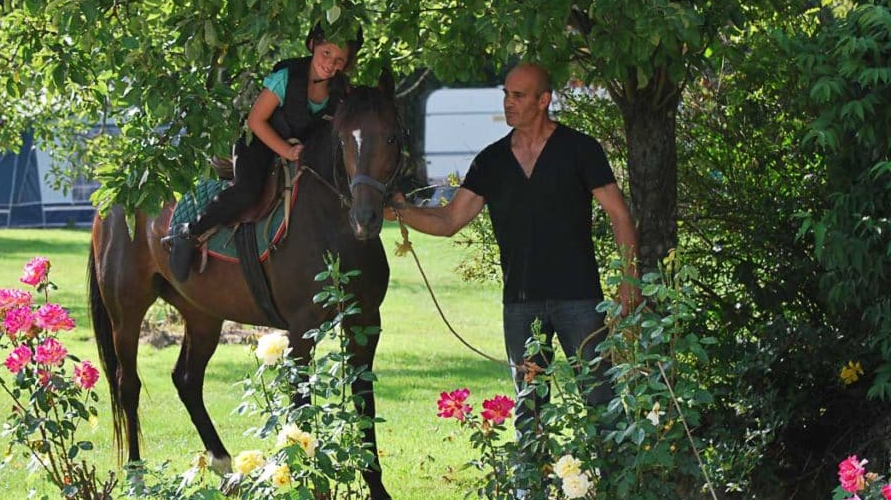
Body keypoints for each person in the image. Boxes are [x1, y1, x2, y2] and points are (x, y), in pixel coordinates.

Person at [385, 62, 640, 430]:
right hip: (521, 304)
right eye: (506, 94)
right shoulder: (492, 161)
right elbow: (449, 220)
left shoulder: (580, 150)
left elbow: (619, 214)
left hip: (580, 299)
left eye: (518, 96)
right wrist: (403, 211)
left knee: (602, 401)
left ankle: (615, 470)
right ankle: (532, 471)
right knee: (529, 409)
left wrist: (629, 282)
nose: (508, 102)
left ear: (543, 100)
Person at [169, 23, 363, 281]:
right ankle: (190, 233)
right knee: (247, 190)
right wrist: (287, 151)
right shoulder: (286, 77)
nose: (330, 64)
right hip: (258, 142)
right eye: (326, 53)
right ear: (312, 45)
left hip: (300, 152)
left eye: (339, 60)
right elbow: (256, 121)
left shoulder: (343, 93)